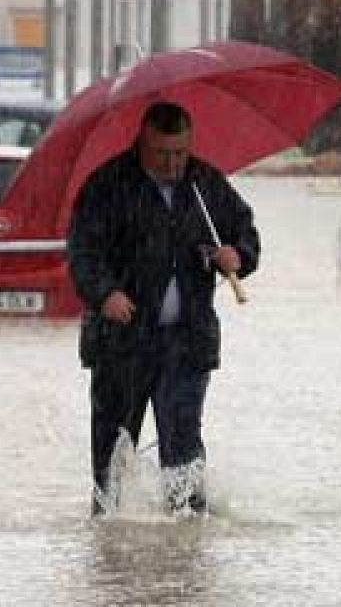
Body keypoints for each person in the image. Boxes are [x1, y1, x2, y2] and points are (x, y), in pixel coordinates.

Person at [68, 101, 261, 517]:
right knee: (113, 450)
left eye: (181, 153)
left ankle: (186, 539)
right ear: (143, 142)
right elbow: (82, 254)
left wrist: (237, 256)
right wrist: (105, 295)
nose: (173, 163)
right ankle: (110, 544)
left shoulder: (205, 184)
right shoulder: (107, 185)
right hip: (121, 342)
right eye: (163, 154)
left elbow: (245, 232)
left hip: (186, 343)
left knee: (184, 446)